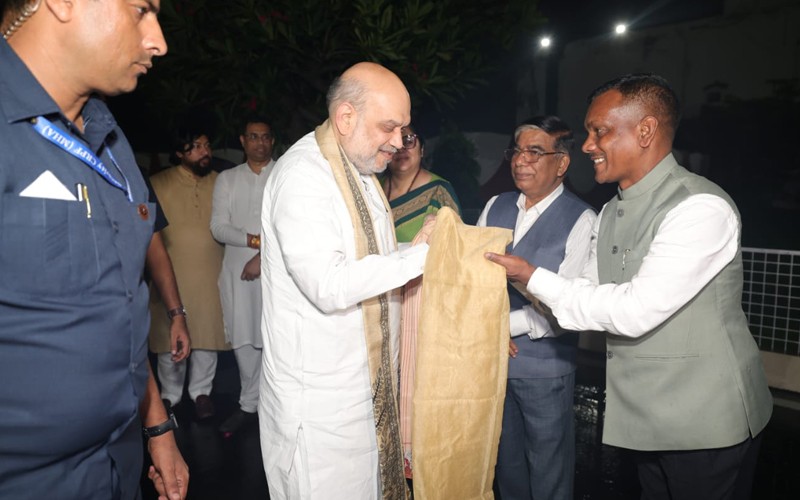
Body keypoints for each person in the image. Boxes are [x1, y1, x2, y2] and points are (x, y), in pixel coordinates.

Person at [486, 73, 773, 500]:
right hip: (645, 420)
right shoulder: (609, 214)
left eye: (599, 131)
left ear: (645, 131)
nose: (587, 145)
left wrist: (530, 276)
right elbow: (581, 295)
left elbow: (635, 310)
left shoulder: (699, 207)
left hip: (706, 424)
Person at [0, 1, 188, 499]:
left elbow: (119, 306)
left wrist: (157, 426)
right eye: (141, 10)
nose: (158, 41)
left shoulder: (111, 140)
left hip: (116, 464)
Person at [259, 62, 433, 500]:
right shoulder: (305, 176)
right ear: (346, 118)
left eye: (404, 129)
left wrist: (415, 251)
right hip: (321, 411)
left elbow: (373, 263)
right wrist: (421, 257)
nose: (399, 142)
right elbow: (330, 284)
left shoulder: (364, 174)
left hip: (367, 396)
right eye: (389, 127)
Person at [477, 116, 595, 500]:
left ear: (561, 164)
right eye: (517, 151)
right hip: (493, 365)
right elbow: (476, 280)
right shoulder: (495, 206)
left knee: (549, 470)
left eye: (534, 152)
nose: (520, 160)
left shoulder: (582, 219)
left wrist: (502, 328)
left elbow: (569, 305)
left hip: (546, 369)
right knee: (506, 466)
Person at [149, 129, 229, 420]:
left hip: (210, 271)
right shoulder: (158, 183)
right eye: (195, 147)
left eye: (207, 145)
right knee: (167, 335)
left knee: (207, 333)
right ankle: (169, 395)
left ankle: (201, 393)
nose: (204, 152)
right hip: (170, 272)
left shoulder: (222, 182)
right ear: (180, 152)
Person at [210, 116, 275, 434]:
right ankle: (250, 403)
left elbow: (290, 225)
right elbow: (219, 227)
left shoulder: (283, 174)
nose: (259, 142)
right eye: (253, 136)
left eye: (265, 137)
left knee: (272, 337)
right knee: (243, 336)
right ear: (242, 140)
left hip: (277, 270)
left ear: (272, 141)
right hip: (236, 270)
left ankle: (265, 406)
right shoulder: (228, 178)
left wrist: (263, 256)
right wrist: (254, 242)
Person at [381, 124, 460, 242]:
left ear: (421, 150)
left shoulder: (439, 191)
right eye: (393, 144)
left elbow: (455, 244)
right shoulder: (372, 188)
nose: (401, 149)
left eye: (408, 141)